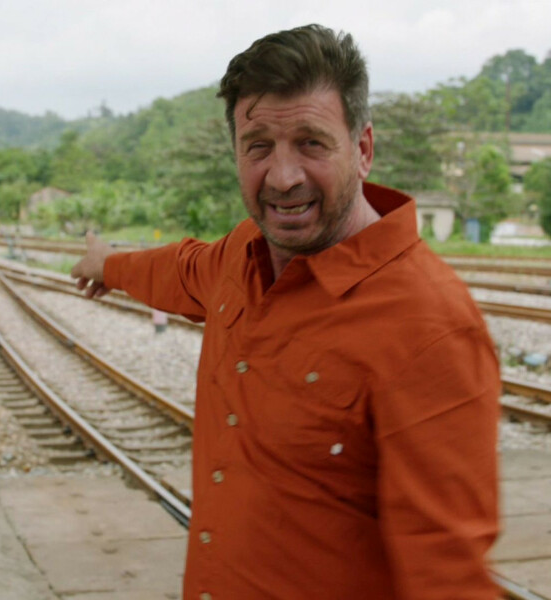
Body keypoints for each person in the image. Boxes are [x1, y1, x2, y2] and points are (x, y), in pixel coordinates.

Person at [71, 24, 500, 600]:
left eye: (311, 143)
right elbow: (176, 269)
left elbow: (447, 576)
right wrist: (106, 264)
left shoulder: (431, 326)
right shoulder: (239, 258)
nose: (283, 176)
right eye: (258, 147)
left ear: (363, 150)